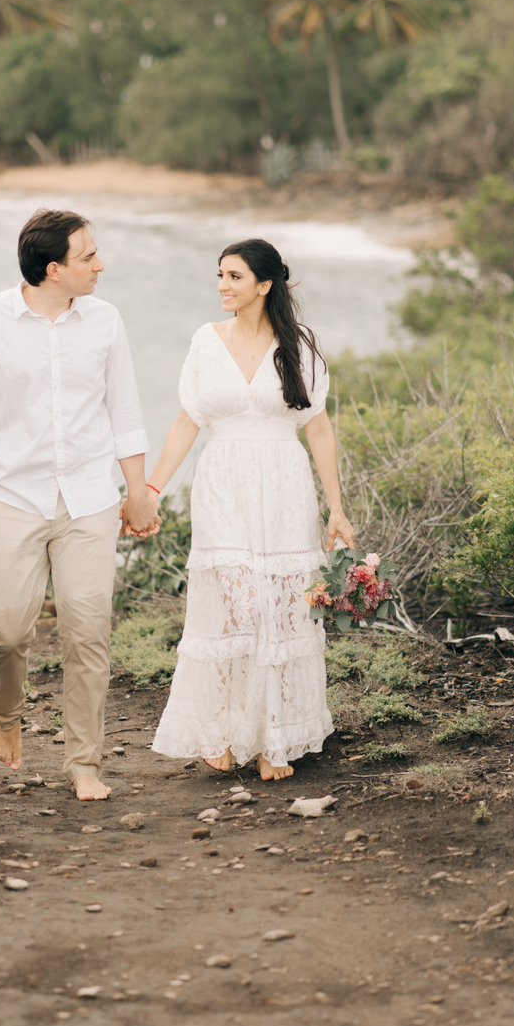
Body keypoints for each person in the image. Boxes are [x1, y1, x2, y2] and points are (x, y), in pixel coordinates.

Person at [0, 209, 159, 802]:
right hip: (11, 495)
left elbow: (126, 411)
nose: (100, 265)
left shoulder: (106, 321)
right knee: (8, 632)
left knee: (88, 633)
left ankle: (83, 762)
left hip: (89, 498)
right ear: (53, 268)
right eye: (89, 256)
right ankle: (7, 713)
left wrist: (136, 492)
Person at [147, 238, 355, 780]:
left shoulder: (299, 345)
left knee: (279, 610)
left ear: (264, 285)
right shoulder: (204, 341)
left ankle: (272, 741)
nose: (222, 285)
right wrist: (150, 490)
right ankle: (221, 732)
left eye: (234, 277)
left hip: (284, 487)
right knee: (234, 608)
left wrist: (336, 508)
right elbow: (186, 422)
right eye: (220, 274)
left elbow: (320, 428)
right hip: (221, 486)